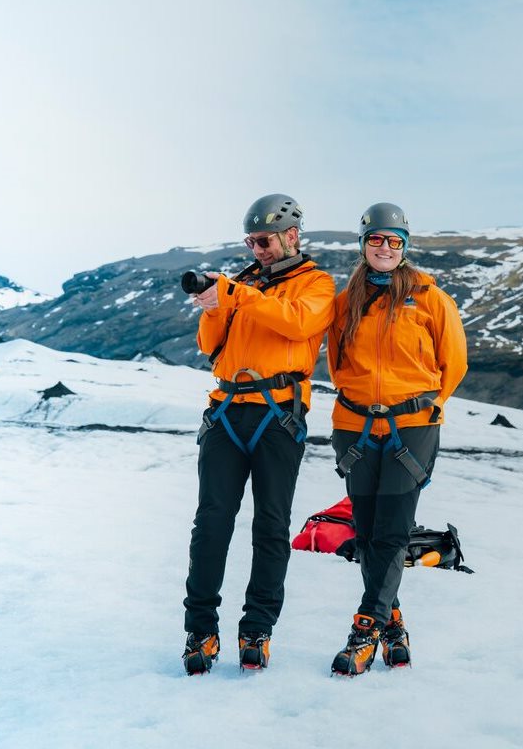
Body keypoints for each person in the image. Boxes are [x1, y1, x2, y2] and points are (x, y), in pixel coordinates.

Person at [181, 193, 336, 675]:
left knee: (271, 526)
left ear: (292, 235)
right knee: (211, 524)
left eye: (264, 240)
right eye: (251, 241)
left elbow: (297, 324)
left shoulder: (317, 284)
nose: (257, 249)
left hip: (278, 415)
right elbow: (210, 346)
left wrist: (237, 294)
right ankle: (200, 630)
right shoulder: (243, 283)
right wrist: (211, 306)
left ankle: (257, 630)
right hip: (226, 410)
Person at [326, 202, 468, 676]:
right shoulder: (347, 301)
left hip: (413, 428)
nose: (384, 248)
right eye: (375, 239)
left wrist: (423, 406)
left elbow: (455, 362)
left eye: (393, 241)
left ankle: (364, 631)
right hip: (355, 427)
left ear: (405, 246)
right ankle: (394, 625)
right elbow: (337, 363)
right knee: (367, 535)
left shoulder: (430, 297)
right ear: (363, 244)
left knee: (391, 531)